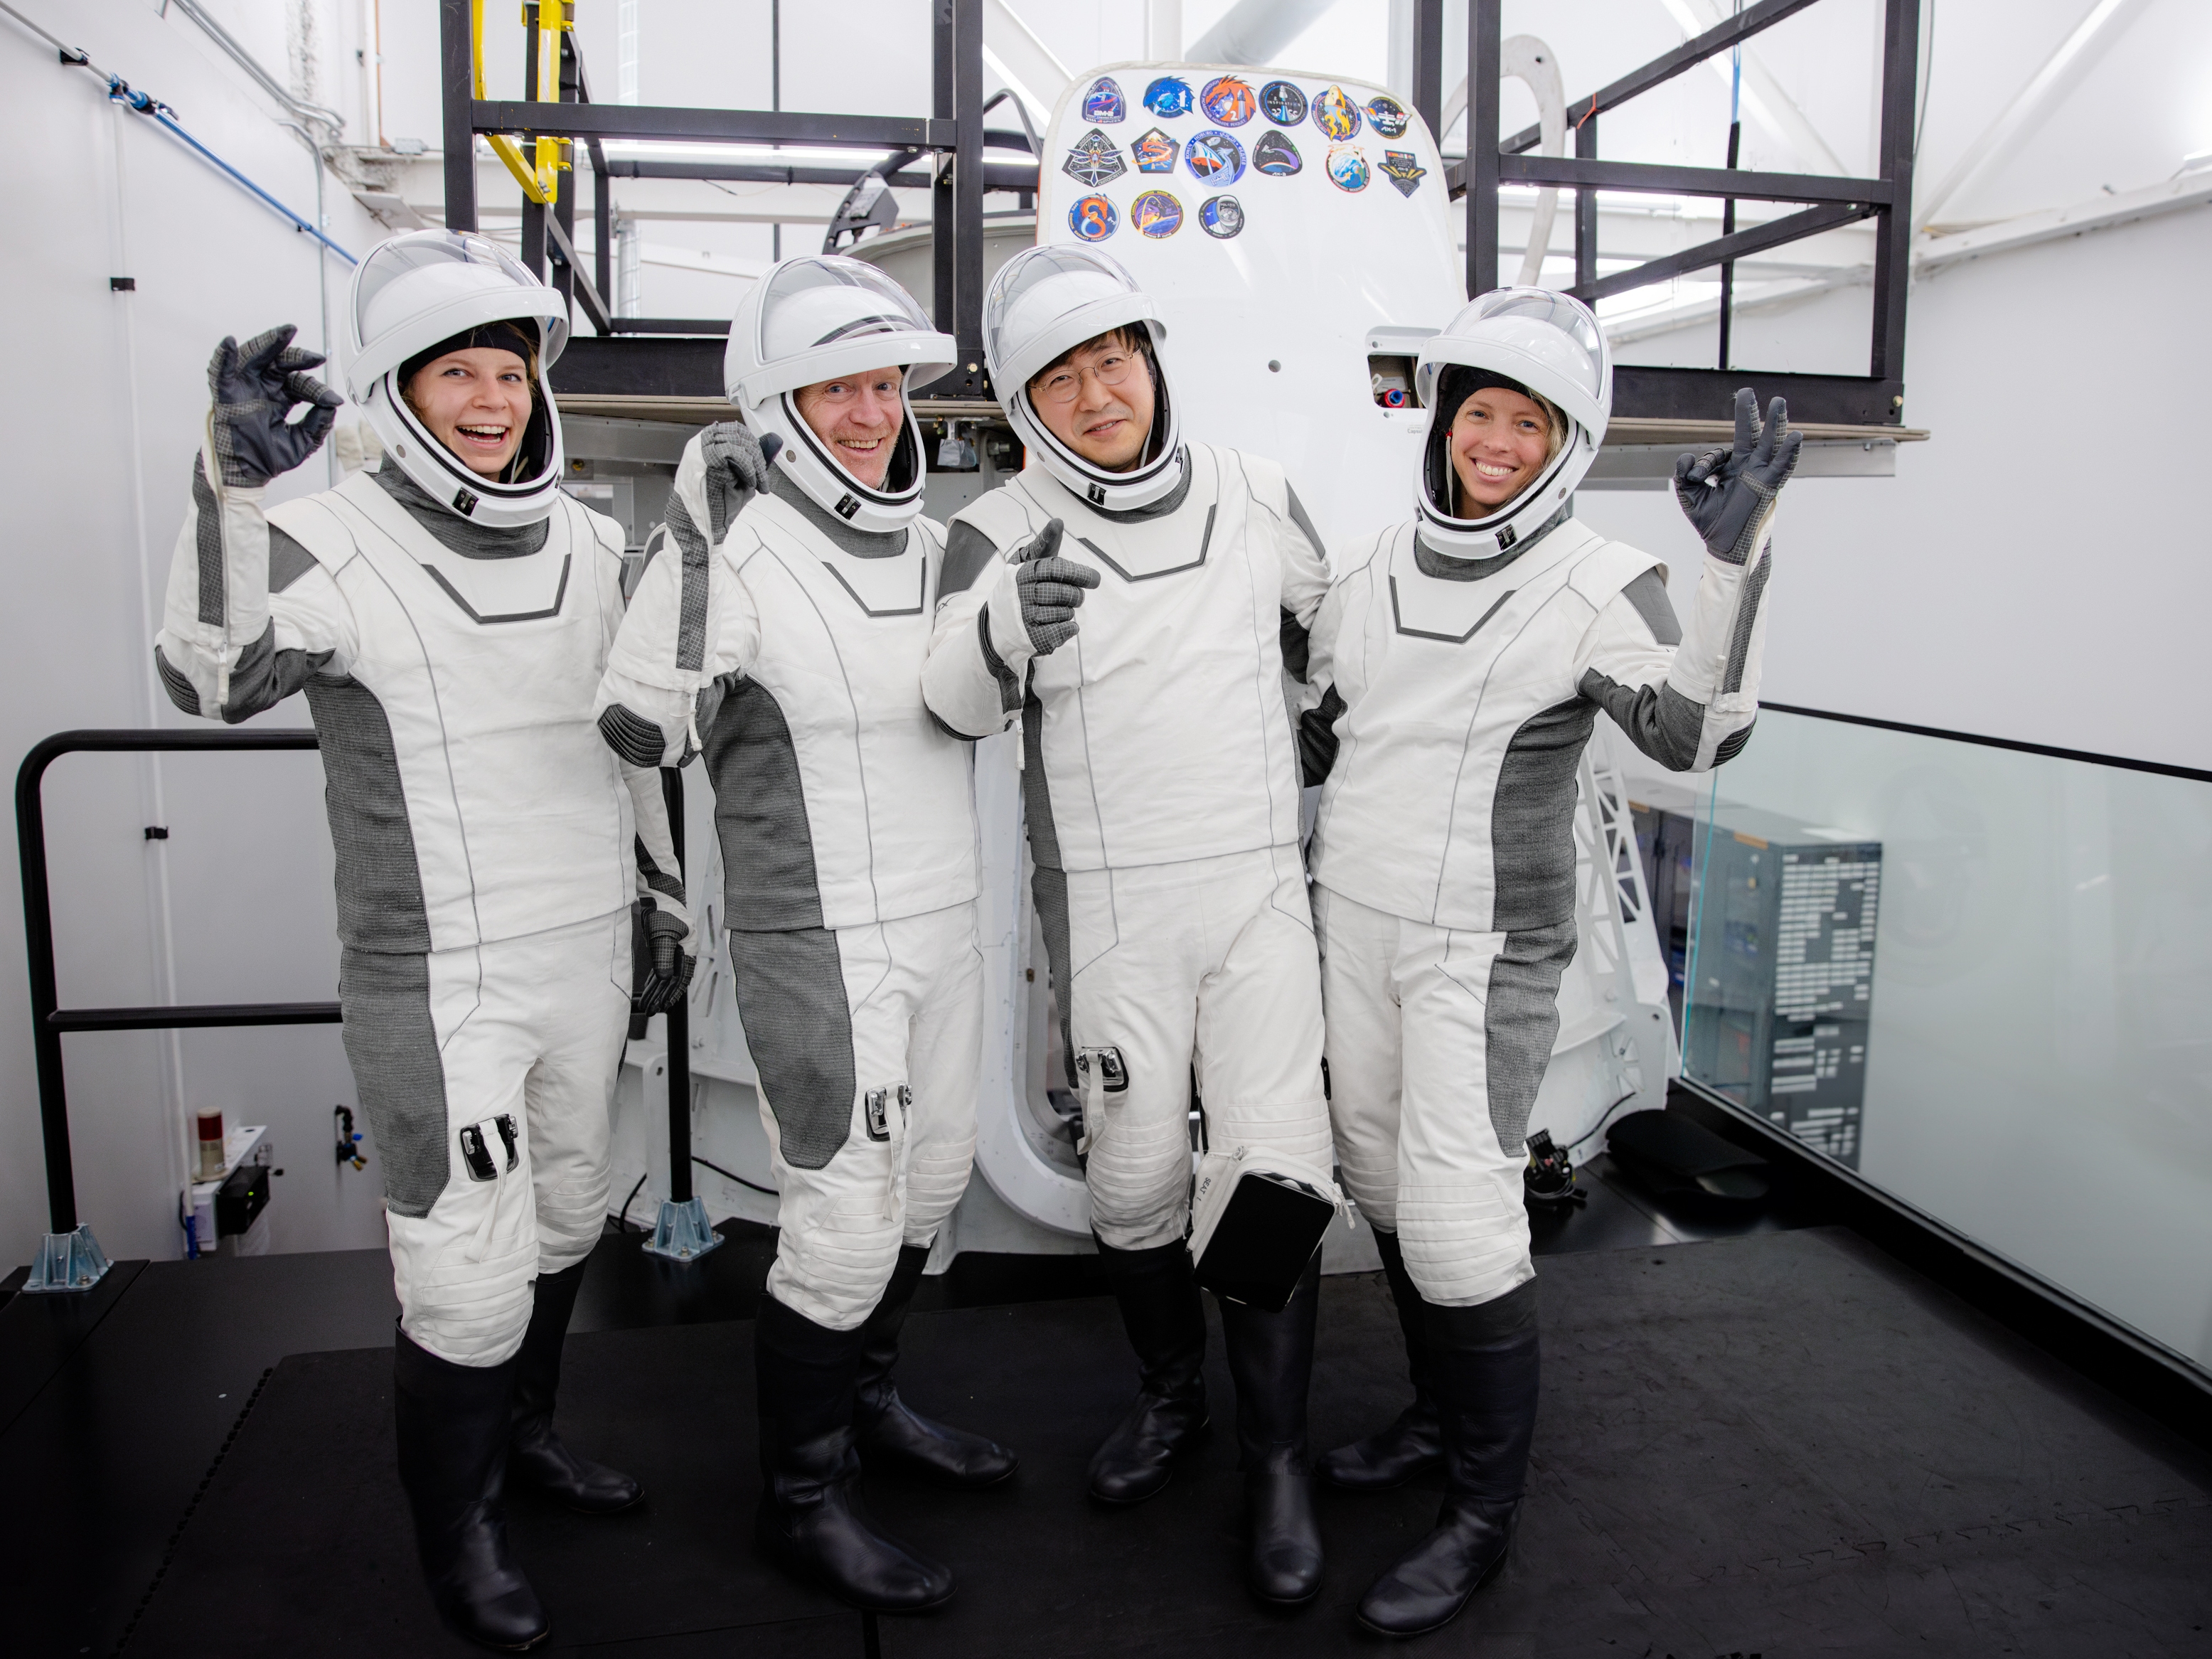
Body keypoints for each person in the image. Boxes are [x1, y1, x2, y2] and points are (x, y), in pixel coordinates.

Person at [153, 230, 705, 1653]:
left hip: (586, 955)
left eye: (504, 369)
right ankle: (454, 1532)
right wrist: (229, 484)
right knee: (464, 1269)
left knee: (572, 1215)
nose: (486, 399)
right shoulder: (329, 539)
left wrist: (657, 894)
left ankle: (522, 1438)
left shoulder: (591, 537)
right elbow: (211, 674)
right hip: (437, 977)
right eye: (453, 370)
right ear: (398, 390)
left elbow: (627, 743)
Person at [1297, 287, 1800, 1638]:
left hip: (1485, 944)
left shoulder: (1598, 581)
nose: (1498, 442)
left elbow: (1694, 737)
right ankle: (1431, 1411)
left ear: (1567, 443)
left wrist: (1733, 564)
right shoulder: (1367, 567)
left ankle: (1481, 1514)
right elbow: (1323, 722)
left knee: (1462, 1214)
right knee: (1379, 1178)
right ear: (1445, 421)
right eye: (1480, 413)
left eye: (1530, 420)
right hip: (1354, 919)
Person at [594, 255, 1013, 1616]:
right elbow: (640, 731)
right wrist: (695, 560)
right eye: (837, 385)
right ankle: (802, 1499)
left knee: (934, 1185)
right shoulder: (729, 549)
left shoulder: (949, 545)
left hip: (946, 925)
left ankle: (870, 1406)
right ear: (775, 403)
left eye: (885, 384)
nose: (869, 412)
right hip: (814, 940)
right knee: (838, 1225)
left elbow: (972, 707)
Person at [919, 245, 1338, 1607]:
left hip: (1260, 893)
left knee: (1273, 1173)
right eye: (1063, 375)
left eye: (1115, 359)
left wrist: (1332, 717)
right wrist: (1003, 630)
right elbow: (953, 703)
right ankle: (1176, 1400)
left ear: (1153, 359)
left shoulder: (1256, 492)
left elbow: (1331, 636)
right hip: (1107, 912)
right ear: (1024, 402)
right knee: (1132, 1182)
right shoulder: (999, 529)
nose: (1099, 394)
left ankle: (1275, 1460)